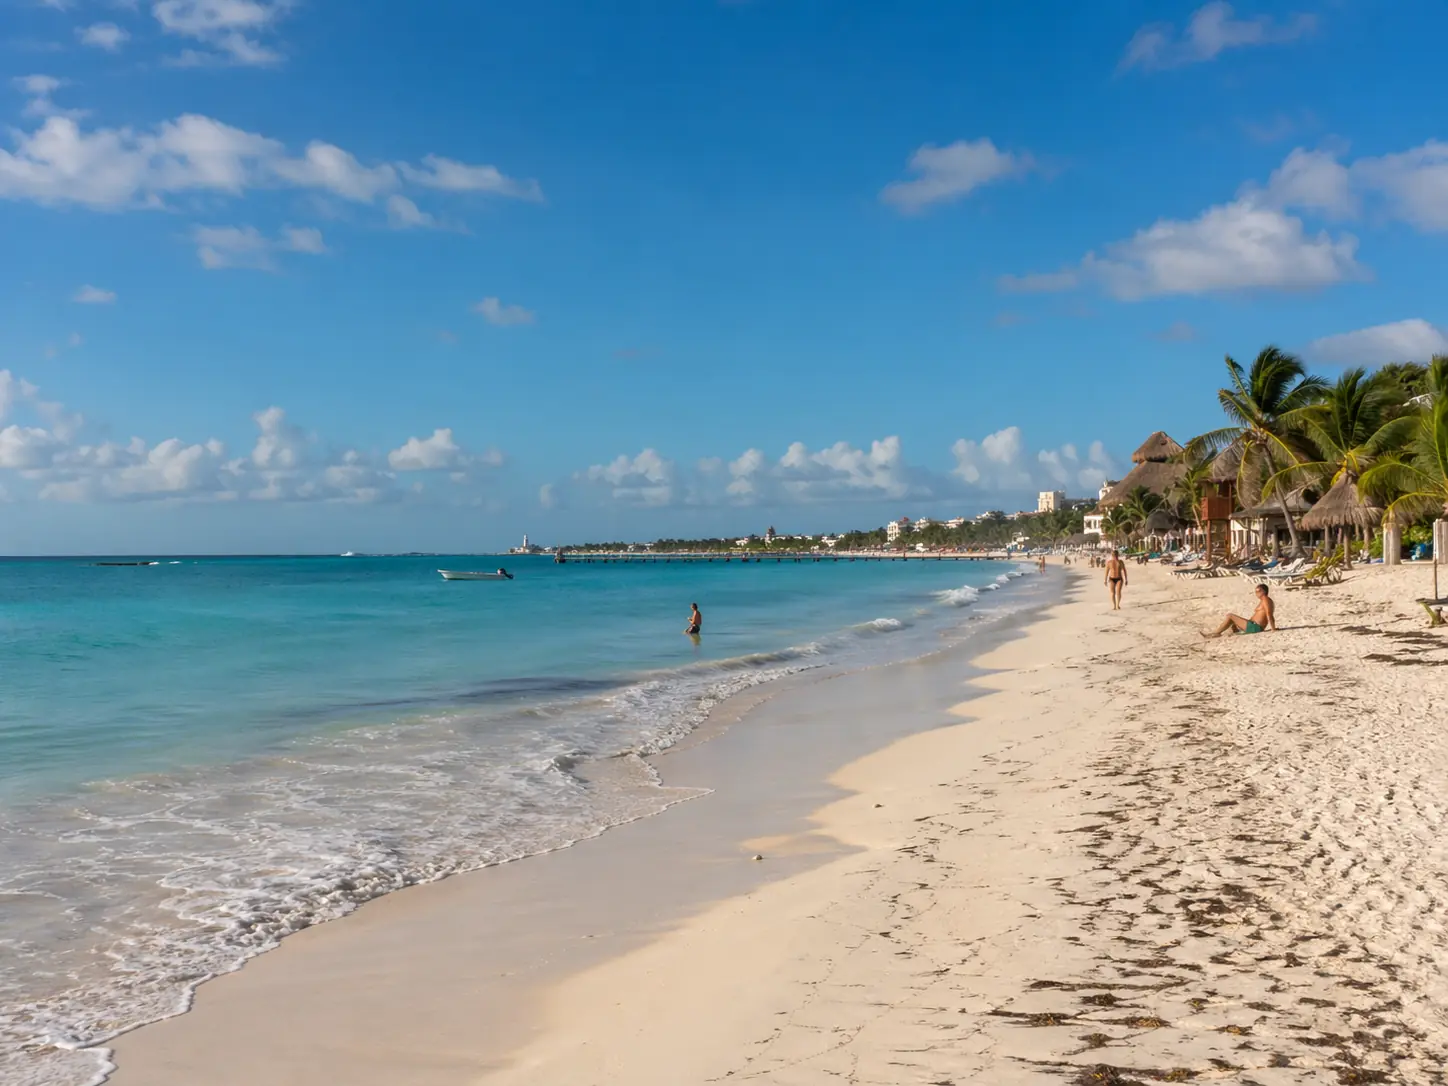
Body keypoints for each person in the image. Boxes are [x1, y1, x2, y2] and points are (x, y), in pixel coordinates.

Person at [1203, 583, 1276, 638]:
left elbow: (1269, 614)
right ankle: (1235, 632)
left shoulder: (1266, 600)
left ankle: (1216, 633)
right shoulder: (1264, 600)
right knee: (1233, 622)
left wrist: (1273, 629)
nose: (1256, 593)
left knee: (1230, 616)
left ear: (1264, 591)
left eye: (1258, 591)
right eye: (1256, 591)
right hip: (1253, 625)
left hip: (1255, 627)